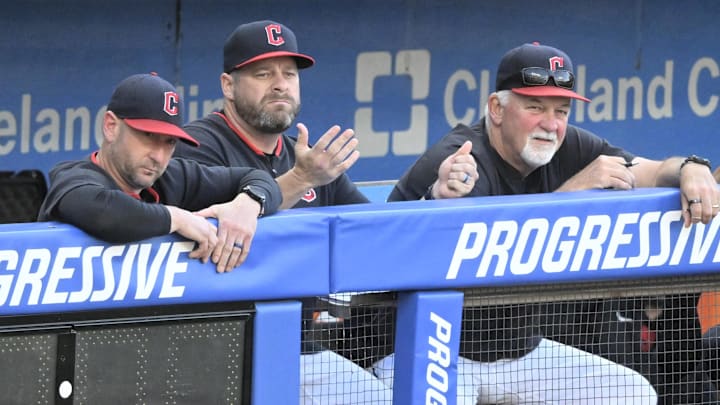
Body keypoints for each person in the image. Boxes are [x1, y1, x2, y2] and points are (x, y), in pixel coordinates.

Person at [380, 42, 719, 404]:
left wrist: (691, 167)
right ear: (496, 108)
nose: (551, 124)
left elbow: (651, 171)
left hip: (516, 353)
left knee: (630, 393)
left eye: (562, 110)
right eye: (535, 107)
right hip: (425, 348)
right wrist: (571, 195)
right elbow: (485, 256)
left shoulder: (566, 145)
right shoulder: (462, 159)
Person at [173, 20, 391, 404]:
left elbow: (377, 234)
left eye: (289, 74)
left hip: (299, 353)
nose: (280, 84)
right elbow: (215, 238)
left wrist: (434, 195)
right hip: (216, 354)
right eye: (262, 74)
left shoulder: (304, 157)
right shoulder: (197, 148)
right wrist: (301, 179)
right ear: (228, 85)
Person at [38, 72, 282, 274]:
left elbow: (261, 179)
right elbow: (104, 212)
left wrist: (249, 203)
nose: (159, 155)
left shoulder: (172, 177)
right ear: (111, 127)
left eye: (169, 143)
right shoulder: (74, 178)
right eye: (147, 136)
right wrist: (177, 218)